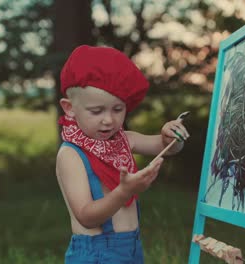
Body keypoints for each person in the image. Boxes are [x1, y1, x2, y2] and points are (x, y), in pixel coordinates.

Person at [55, 45, 190, 263]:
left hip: (132, 249)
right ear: (69, 108)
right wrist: (125, 191)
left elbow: (167, 147)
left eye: (117, 109)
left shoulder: (125, 139)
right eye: (96, 111)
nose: (108, 119)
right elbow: (86, 216)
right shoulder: (70, 154)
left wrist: (170, 136)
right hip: (95, 254)